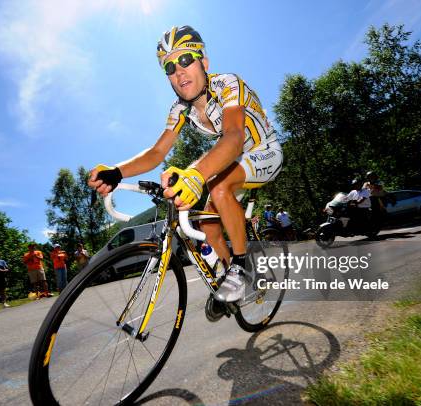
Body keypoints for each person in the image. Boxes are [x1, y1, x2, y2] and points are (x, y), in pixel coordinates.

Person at [89, 26, 283, 302]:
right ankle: (238, 281)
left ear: (203, 62)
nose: (178, 71)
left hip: (264, 150)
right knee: (209, 228)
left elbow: (235, 136)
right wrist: (117, 172)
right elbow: (157, 152)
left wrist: (196, 174)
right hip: (235, 160)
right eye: (169, 67)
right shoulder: (180, 108)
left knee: (217, 186)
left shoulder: (227, 84)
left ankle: (241, 266)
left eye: (185, 60)